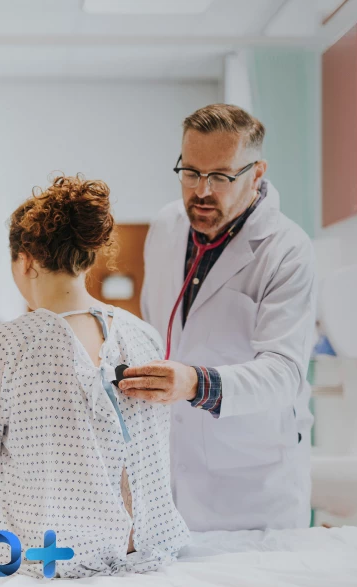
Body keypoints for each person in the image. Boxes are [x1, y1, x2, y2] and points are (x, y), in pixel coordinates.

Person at [0, 174, 190, 579]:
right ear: (87, 259)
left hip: (52, 552)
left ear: (25, 260)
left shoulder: (2, 345)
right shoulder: (142, 335)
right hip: (146, 546)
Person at [118, 104, 317, 532]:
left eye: (221, 176)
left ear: (257, 174)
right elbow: (154, 330)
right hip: (171, 472)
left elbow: (284, 373)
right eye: (191, 172)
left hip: (253, 487)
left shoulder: (287, 250)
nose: (202, 191)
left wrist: (195, 383)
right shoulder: (166, 227)